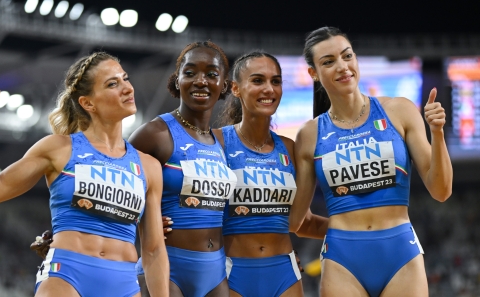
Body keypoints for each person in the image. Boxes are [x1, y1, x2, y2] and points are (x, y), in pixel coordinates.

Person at [0, 52, 169, 297]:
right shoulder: (58, 148)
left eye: (125, 78)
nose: (127, 88)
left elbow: (154, 251)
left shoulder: (148, 166)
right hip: (66, 275)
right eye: (113, 84)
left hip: (124, 284)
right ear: (88, 103)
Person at [291, 27, 453, 297]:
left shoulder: (399, 111)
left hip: (400, 253)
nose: (342, 67)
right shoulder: (309, 135)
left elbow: (442, 190)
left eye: (347, 56)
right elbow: (296, 221)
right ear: (313, 73)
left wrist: (437, 133)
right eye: (328, 62)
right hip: (342, 259)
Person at [213, 51, 328, 297]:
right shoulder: (216, 143)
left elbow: (302, 222)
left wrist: (357, 227)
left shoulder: (290, 148)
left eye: (275, 81)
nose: (269, 89)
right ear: (235, 88)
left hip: (284, 273)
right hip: (232, 273)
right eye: (257, 81)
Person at [128, 41, 237, 297]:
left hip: (216, 272)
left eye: (211, 74)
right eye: (190, 73)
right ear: (177, 80)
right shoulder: (156, 134)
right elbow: (114, 185)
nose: (201, 81)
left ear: (224, 85)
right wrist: (143, 220)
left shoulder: (222, 143)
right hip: (167, 269)